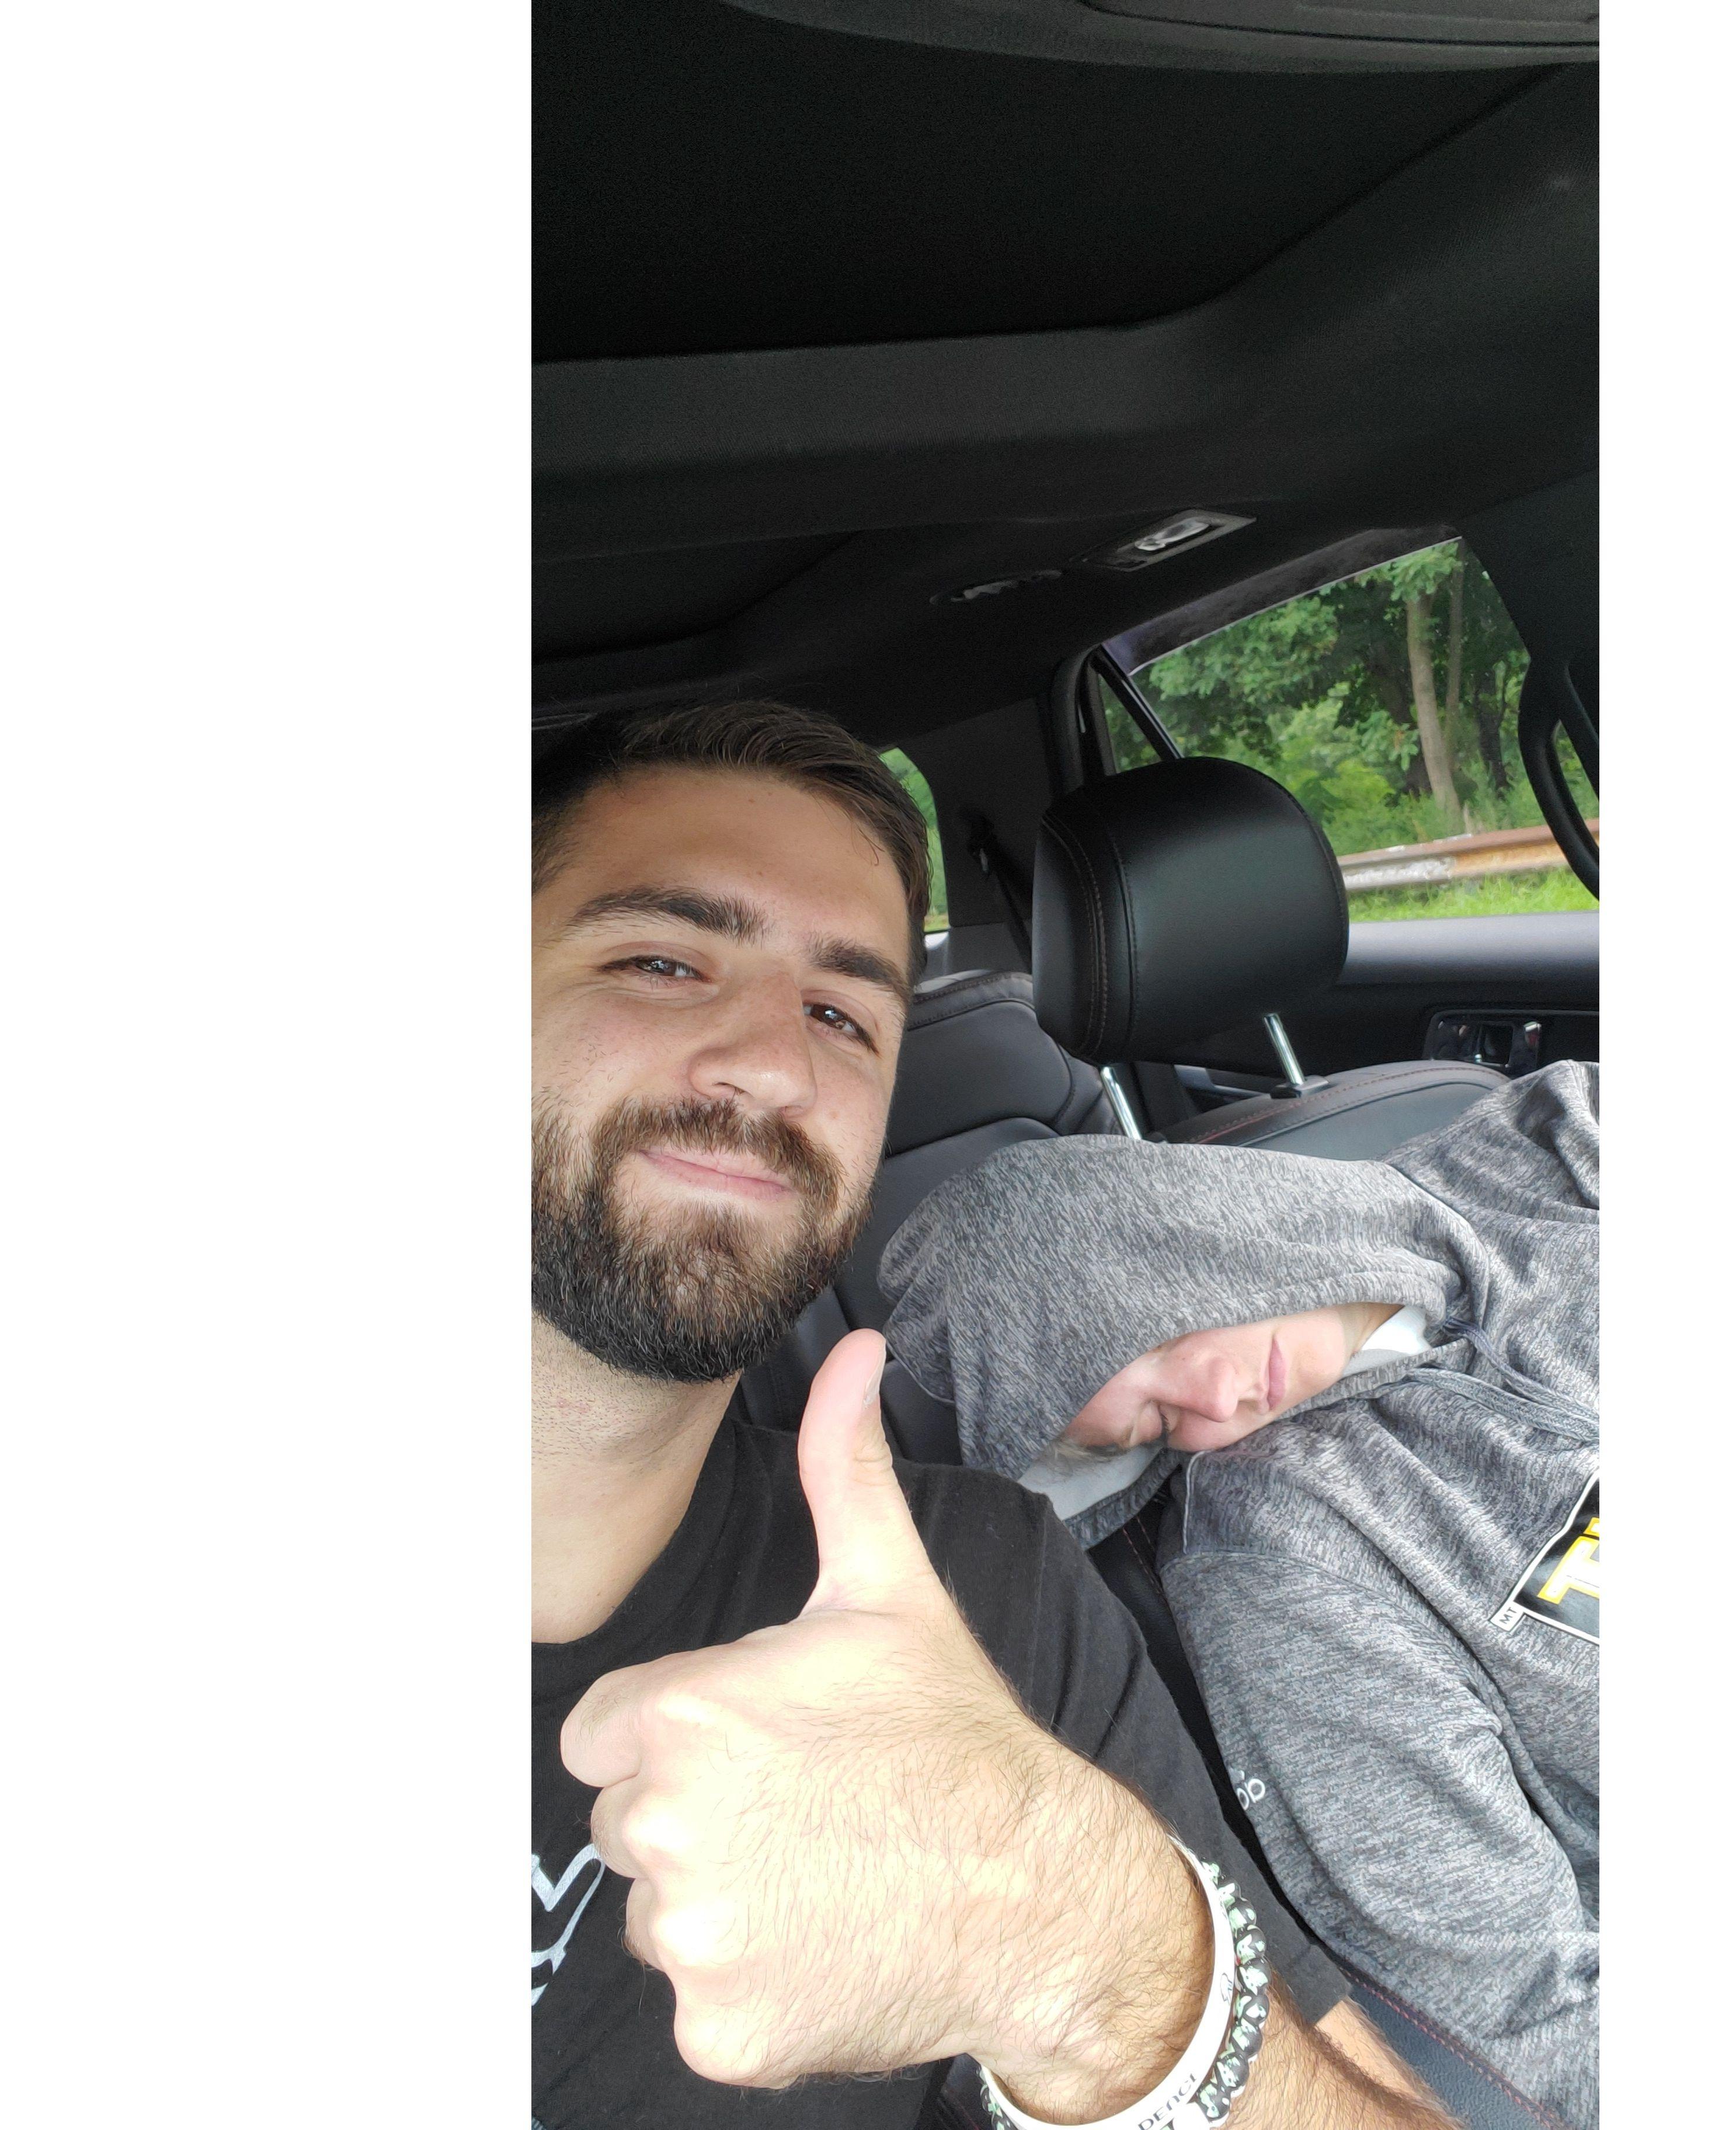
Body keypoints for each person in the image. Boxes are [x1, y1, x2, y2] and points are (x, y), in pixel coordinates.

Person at [530, 698, 1456, 2130]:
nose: (777, 1066)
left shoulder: (977, 1589)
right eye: (662, 962)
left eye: (842, 1014)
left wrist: (1083, 1954)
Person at [879, 1064, 1600, 2129]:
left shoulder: (1554, 1141)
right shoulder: (1286, 1552)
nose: (1222, 1403)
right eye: (1155, 1427)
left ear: (1196, 1230)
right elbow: (1527, 2018)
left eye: (1167, 1333)